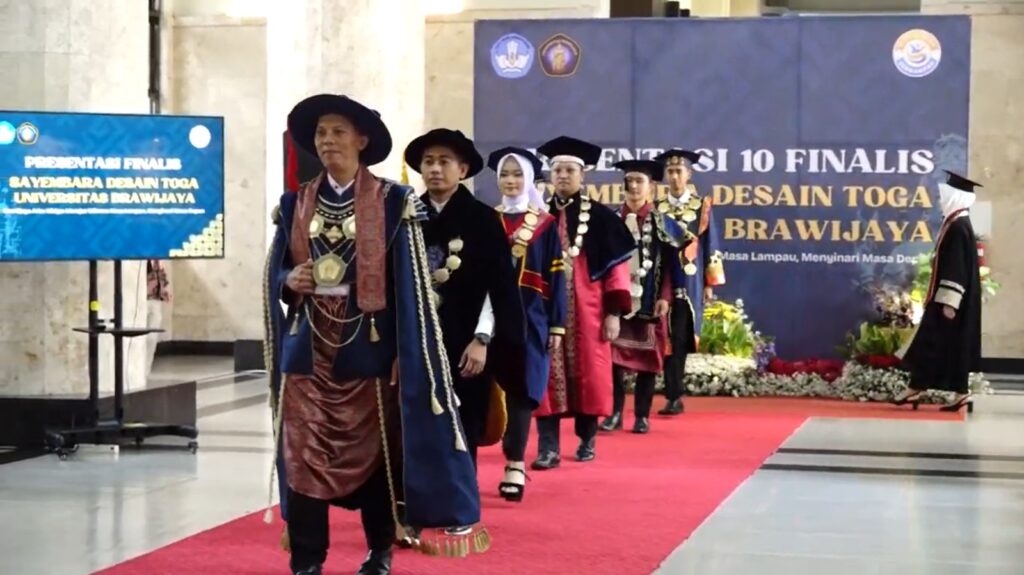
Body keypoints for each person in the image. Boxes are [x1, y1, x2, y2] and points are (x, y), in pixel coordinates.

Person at [264, 95, 487, 575]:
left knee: (378, 457)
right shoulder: (294, 203)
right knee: (302, 456)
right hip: (307, 353)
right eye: (321, 133)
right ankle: (307, 559)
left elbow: (411, 285)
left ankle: (379, 550)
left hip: (369, 350)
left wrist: (409, 351)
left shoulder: (392, 203)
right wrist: (289, 279)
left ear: (362, 141)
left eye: (338, 132)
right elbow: (277, 271)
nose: (327, 141)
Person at [405, 128, 526, 468]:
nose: (435, 169)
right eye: (428, 161)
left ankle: (462, 496)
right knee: (418, 425)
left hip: (466, 344)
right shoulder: (407, 218)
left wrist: (482, 339)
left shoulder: (483, 219)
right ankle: (422, 495)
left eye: (444, 161)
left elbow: (498, 288)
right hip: (417, 341)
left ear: (462, 169)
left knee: (464, 424)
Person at [531, 135, 636, 469]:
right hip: (545, 311)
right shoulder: (538, 217)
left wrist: (614, 312)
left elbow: (617, 269)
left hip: (590, 312)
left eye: (570, 170)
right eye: (557, 170)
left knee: (590, 375)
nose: (563, 176)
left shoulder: (602, 219)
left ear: (582, 174)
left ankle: (587, 439)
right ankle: (547, 447)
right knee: (545, 376)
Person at [487, 146, 567, 500]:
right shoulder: (487, 220)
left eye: (517, 174)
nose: (510, 181)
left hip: (530, 318)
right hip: (487, 318)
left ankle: (515, 463)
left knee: (522, 388)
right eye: (505, 174)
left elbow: (556, 276)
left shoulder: (545, 225)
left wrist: (556, 324)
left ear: (530, 179)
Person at [601, 160, 687, 434]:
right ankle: (614, 413)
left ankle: (641, 415)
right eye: (630, 181)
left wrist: (666, 296)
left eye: (640, 181)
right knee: (613, 361)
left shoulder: (663, 222)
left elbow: (674, 264)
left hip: (650, 302)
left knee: (648, 361)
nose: (634, 186)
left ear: (651, 186)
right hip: (615, 302)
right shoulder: (610, 220)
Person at [894, 170, 982, 412]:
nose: (941, 201)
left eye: (945, 197)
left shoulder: (958, 227)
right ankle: (922, 388)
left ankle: (925, 389)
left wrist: (949, 302)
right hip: (949, 299)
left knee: (935, 343)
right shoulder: (956, 223)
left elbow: (956, 267)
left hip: (950, 301)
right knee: (940, 344)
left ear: (955, 197)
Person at [653, 149, 726, 415]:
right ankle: (671, 392)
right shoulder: (657, 208)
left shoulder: (701, 206)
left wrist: (709, 283)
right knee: (664, 337)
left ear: (689, 174)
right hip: (661, 281)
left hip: (690, 281)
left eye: (679, 172)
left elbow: (710, 245)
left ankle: (675, 394)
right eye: (670, 172)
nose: (674, 177)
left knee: (681, 338)